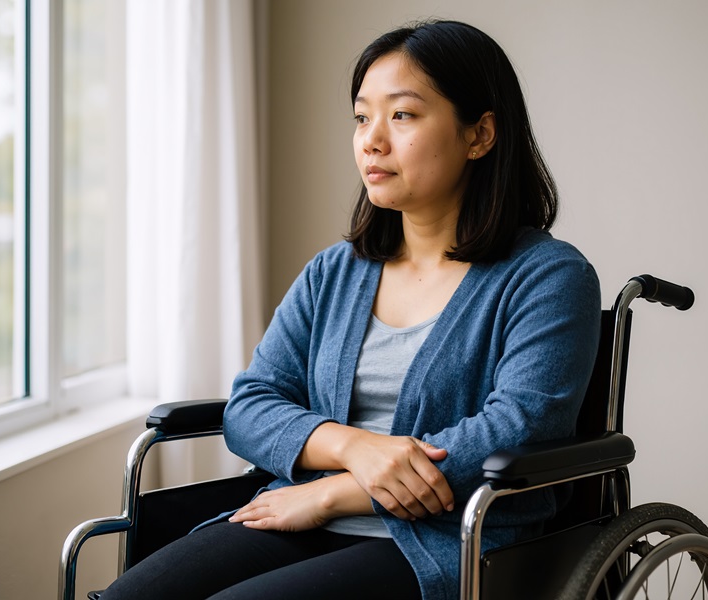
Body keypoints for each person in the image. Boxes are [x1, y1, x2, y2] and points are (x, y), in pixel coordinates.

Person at [101, 19, 600, 600]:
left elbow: (518, 427)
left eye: (403, 115)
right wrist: (352, 447)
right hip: (298, 516)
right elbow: (252, 404)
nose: (372, 140)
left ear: (480, 134)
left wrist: (331, 492)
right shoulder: (334, 272)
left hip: (443, 541)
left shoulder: (548, 276)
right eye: (363, 117)